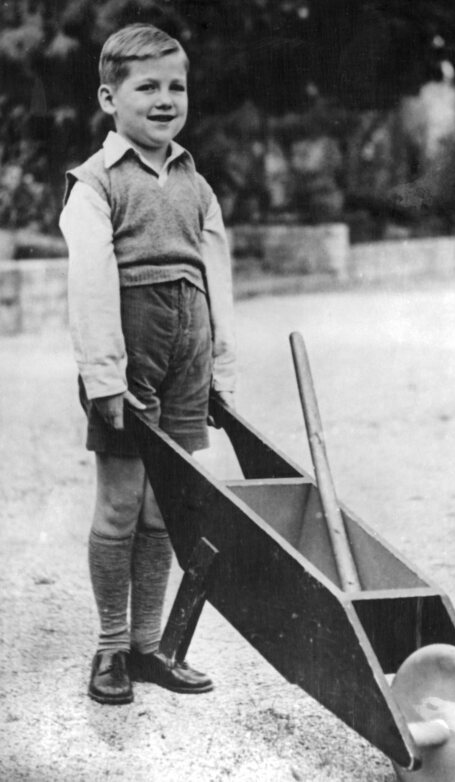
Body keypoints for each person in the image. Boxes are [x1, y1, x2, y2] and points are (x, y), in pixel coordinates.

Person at [59, 23, 236, 705]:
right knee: (121, 505)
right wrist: (104, 378)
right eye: (147, 87)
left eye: (176, 87)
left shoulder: (197, 184)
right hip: (128, 361)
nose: (165, 100)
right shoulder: (95, 183)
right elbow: (91, 285)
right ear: (110, 97)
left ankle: (147, 646)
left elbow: (217, 281)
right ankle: (110, 646)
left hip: (187, 358)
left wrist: (220, 371)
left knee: (165, 510)